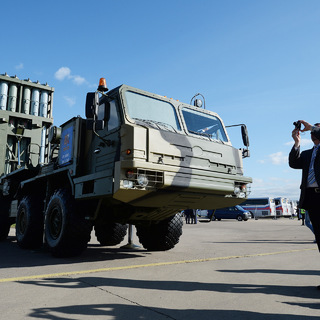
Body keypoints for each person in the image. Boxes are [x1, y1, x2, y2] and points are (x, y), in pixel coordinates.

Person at [289, 120, 320, 289]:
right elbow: (294, 163)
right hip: (312, 199)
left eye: (317, 130)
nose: (313, 132)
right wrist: (296, 143)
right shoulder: (309, 153)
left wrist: (312, 127)